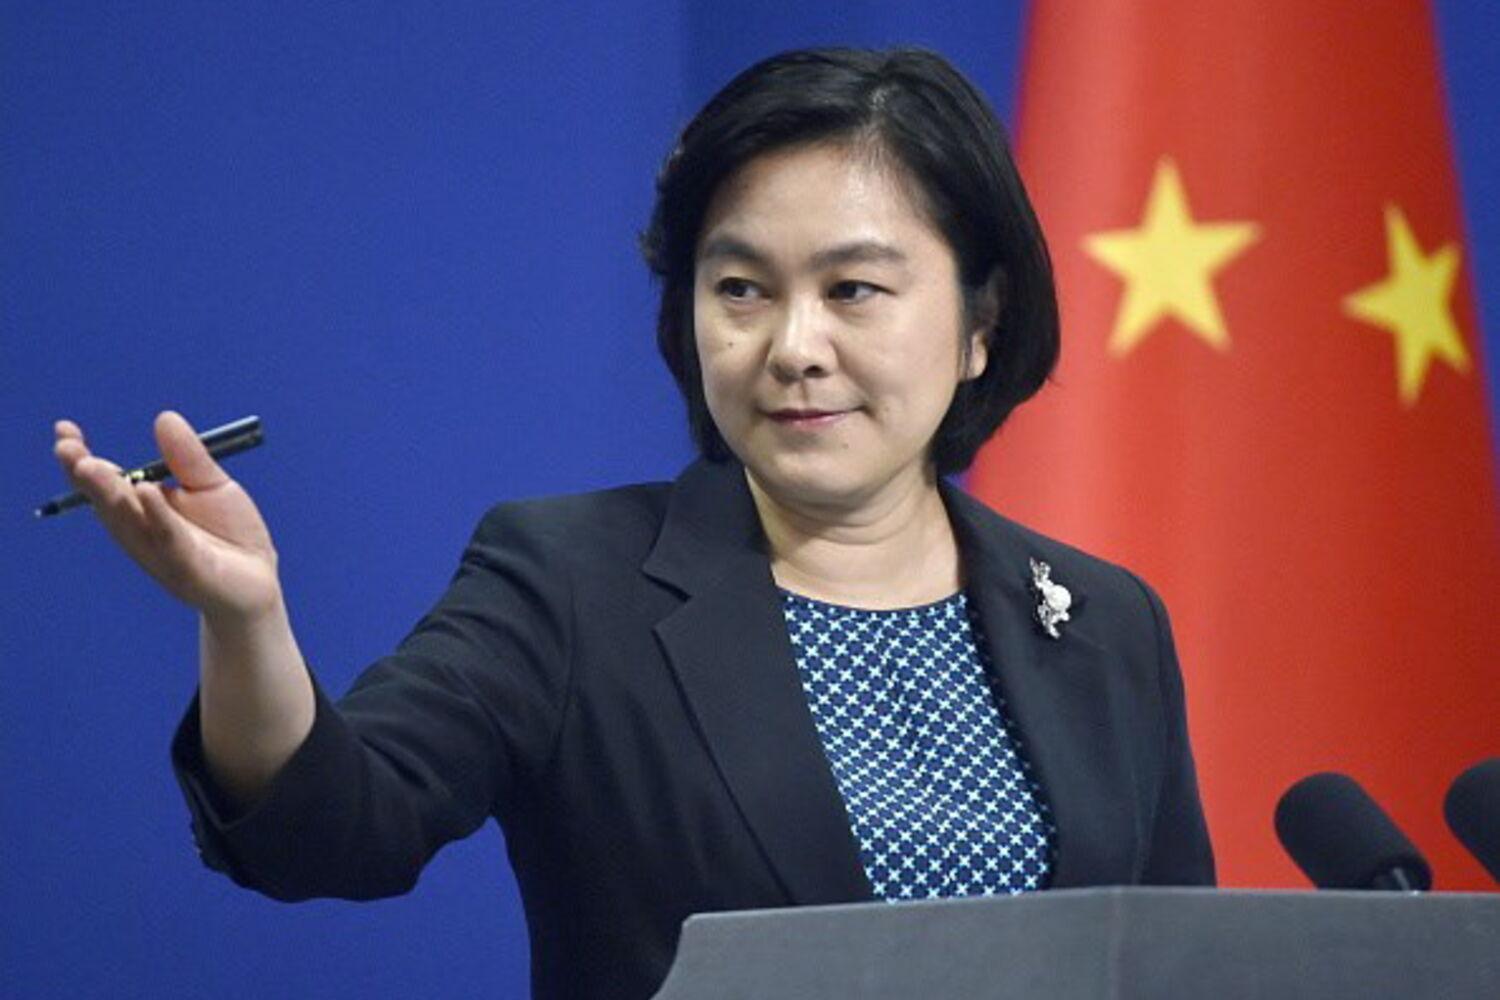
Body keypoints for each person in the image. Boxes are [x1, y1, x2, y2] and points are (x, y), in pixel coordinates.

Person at [53, 47, 1213, 1000]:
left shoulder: (1105, 622)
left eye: (853, 289)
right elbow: (331, 831)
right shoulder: (572, 581)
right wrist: (246, 622)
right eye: (741, 288)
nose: (793, 346)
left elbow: (1180, 964)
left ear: (980, 323)